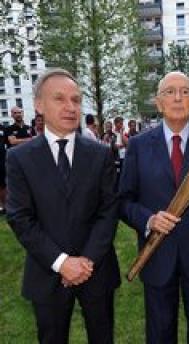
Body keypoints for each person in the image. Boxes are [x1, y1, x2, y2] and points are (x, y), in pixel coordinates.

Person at [6, 68, 120, 344]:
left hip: (96, 270)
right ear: (39, 105)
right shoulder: (19, 158)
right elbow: (20, 218)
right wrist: (62, 263)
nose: (71, 107)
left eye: (76, 100)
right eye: (60, 99)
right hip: (47, 273)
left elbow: (108, 211)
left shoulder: (101, 154)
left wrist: (85, 262)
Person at [119, 71, 189, 344]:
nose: (178, 97)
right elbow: (123, 201)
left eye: (185, 91)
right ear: (158, 103)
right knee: (159, 333)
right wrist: (149, 220)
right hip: (158, 255)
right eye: (170, 92)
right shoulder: (138, 145)